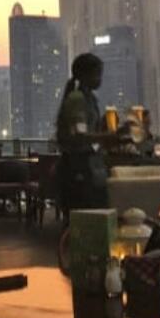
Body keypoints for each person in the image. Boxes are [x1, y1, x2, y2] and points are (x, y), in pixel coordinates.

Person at [54, 53, 127, 214]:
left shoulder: (88, 99)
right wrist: (110, 136)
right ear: (85, 75)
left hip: (85, 165)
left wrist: (114, 132)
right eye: (97, 74)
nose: (100, 79)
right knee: (86, 216)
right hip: (77, 167)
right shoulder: (77, 99)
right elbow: (80, 136)